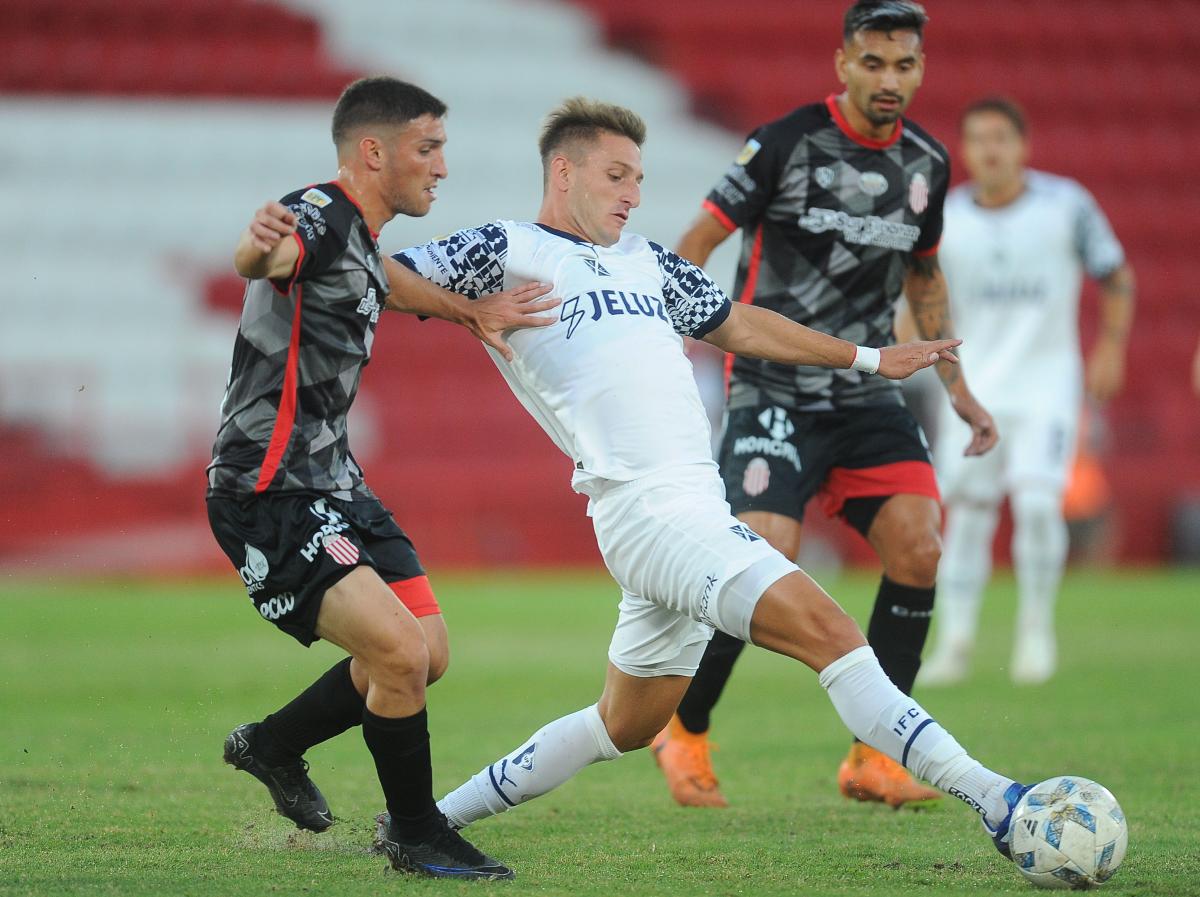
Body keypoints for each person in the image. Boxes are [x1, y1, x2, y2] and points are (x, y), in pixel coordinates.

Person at [382, 95, 1037, 877]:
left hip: (691, 507)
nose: (633, 193)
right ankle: (999, 800)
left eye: (639, 177)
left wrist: (866, 357)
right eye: (616, 174)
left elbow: (741, 323)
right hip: (646, 510)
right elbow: (377, 272)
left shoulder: (646, 260)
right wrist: (465, 309)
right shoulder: (508, 249)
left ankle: (421, 819)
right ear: (563, 171)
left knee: (622, 725)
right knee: (833, 637)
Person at [205, 75, 558, 880]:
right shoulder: (321, 214)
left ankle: (274, 743)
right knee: (397, 652)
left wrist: (471, 312)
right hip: (269, 487)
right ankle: (415, 833)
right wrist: (257, 245)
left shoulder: (360, 236)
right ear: (374, 151)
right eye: (428, 149)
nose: (441, 167)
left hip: (334, 478)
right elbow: (271, 256)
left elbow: (384, 280)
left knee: (425, 651)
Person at [651, 0, 997, 811]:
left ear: (920, 69)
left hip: (864, 389)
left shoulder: (926, 163)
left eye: (904, 65)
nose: (889, 80)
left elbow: (924, 277)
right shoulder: (782, 143)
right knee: (762, 554)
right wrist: (672, 339)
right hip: (771, 384)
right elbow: (696, 244)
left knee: (918, 547)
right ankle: (687, 727)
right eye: (873, 62)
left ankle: (876, 758)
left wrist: (959, 388)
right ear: (843, 62)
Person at [912, 96, 1135, 686]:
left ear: (1022, 147)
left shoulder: (1066, 205)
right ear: (964, 150)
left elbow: (1115, 274)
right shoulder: (946, 217)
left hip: (1046, 385)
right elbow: (920, 293)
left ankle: (1036, 630)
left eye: (1001, 139)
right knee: (967, 513)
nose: (991, 150)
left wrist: (1110, 347)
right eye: (979, 139)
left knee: (1038, 505)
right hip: (971, 385)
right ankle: (955, 641)